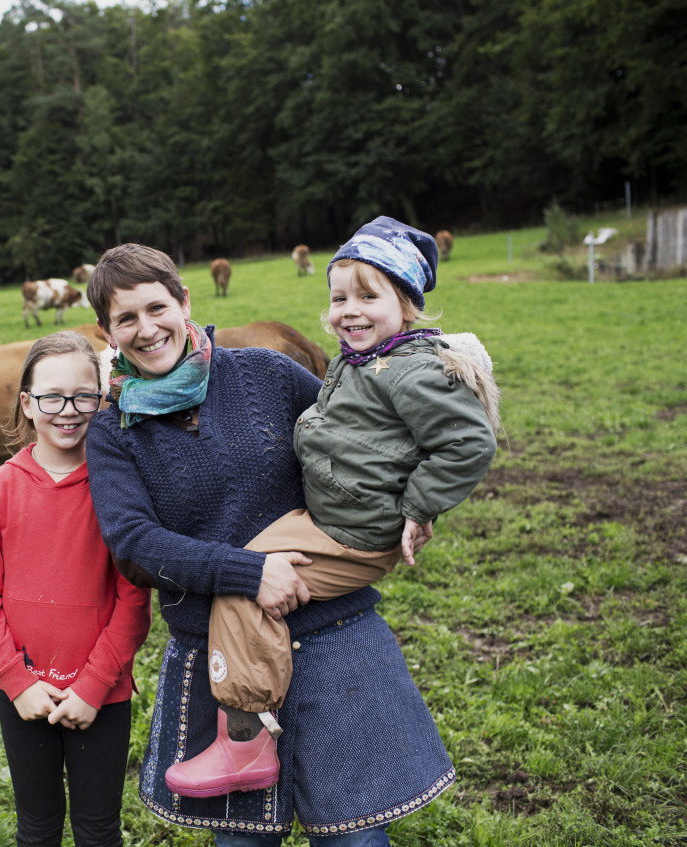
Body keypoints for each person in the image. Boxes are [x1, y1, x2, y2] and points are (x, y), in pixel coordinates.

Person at [83, 237, 463, 846]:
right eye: (125, 318)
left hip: (331, 637)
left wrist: (421, 494)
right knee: (243, 841)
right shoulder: (113, 431)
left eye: (157, 308)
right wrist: (246, 572)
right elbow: (132, 543)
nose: (146, 329)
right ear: (107, 332)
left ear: (184, 301)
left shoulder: (264, 373)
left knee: (353, 838)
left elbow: (364, 440)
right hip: (222, 654)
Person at [167, 216, 501, 799]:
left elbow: (469, 442)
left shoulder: (412, 369)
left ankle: (245, 742)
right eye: (339, 297)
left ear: (408, 304)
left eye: (369, 296)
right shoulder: (358, 359)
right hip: (327, 517)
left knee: (241, 586)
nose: (350, 310)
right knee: (245, 562)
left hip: (357, 532)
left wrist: (419, 507)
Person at [0, 330, 152, 847]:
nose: (68, 410)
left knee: (97, 829)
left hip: (101, 696)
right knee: (38, 827)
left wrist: (93, 688)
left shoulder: (118, 487)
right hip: (24, 695)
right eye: (51, 397)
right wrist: (16, 681)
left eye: (83, 396)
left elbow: (135, 601)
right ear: (27, 402)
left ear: (102, 397)